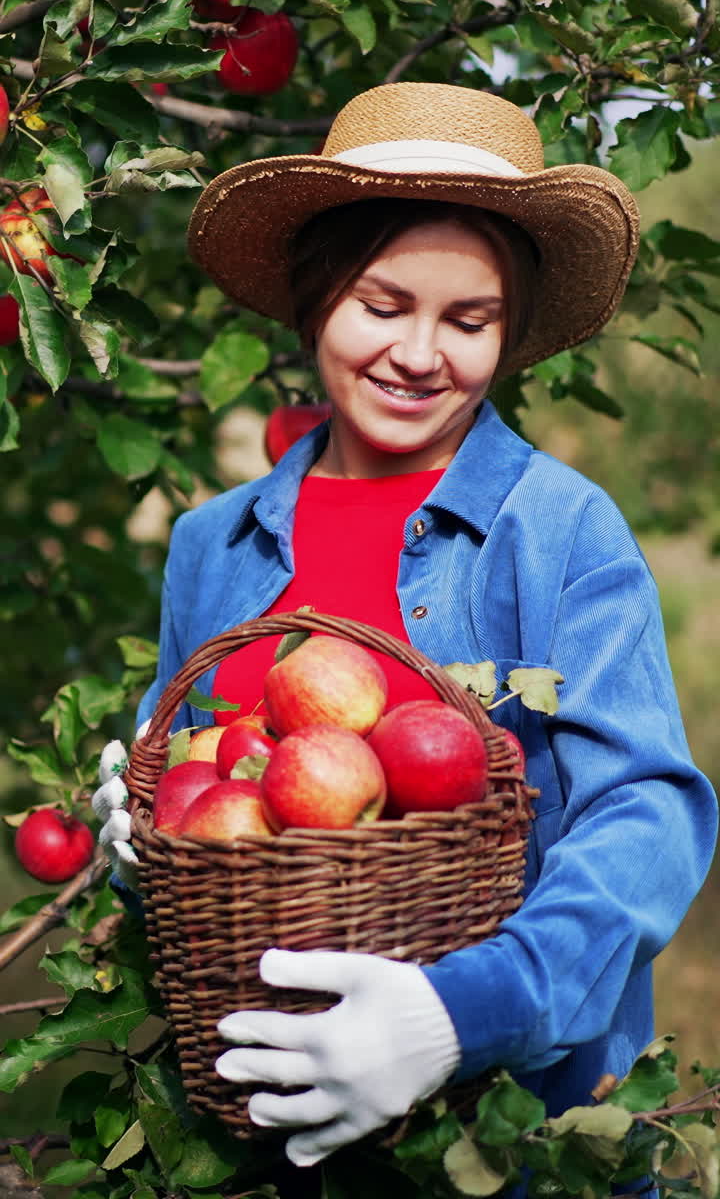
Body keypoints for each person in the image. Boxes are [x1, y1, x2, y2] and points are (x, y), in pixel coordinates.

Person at [93, 82, 718, 1175]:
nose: (421, 353)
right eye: (383, 304)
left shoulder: (560, 531)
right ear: (316, 300)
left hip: (517, 1129)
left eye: (468, 321)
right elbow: (213, 790)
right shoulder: (213, 546)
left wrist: (456, 1011)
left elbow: (644, 812)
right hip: (263, 1114)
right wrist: (141, 838)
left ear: (509, 335)